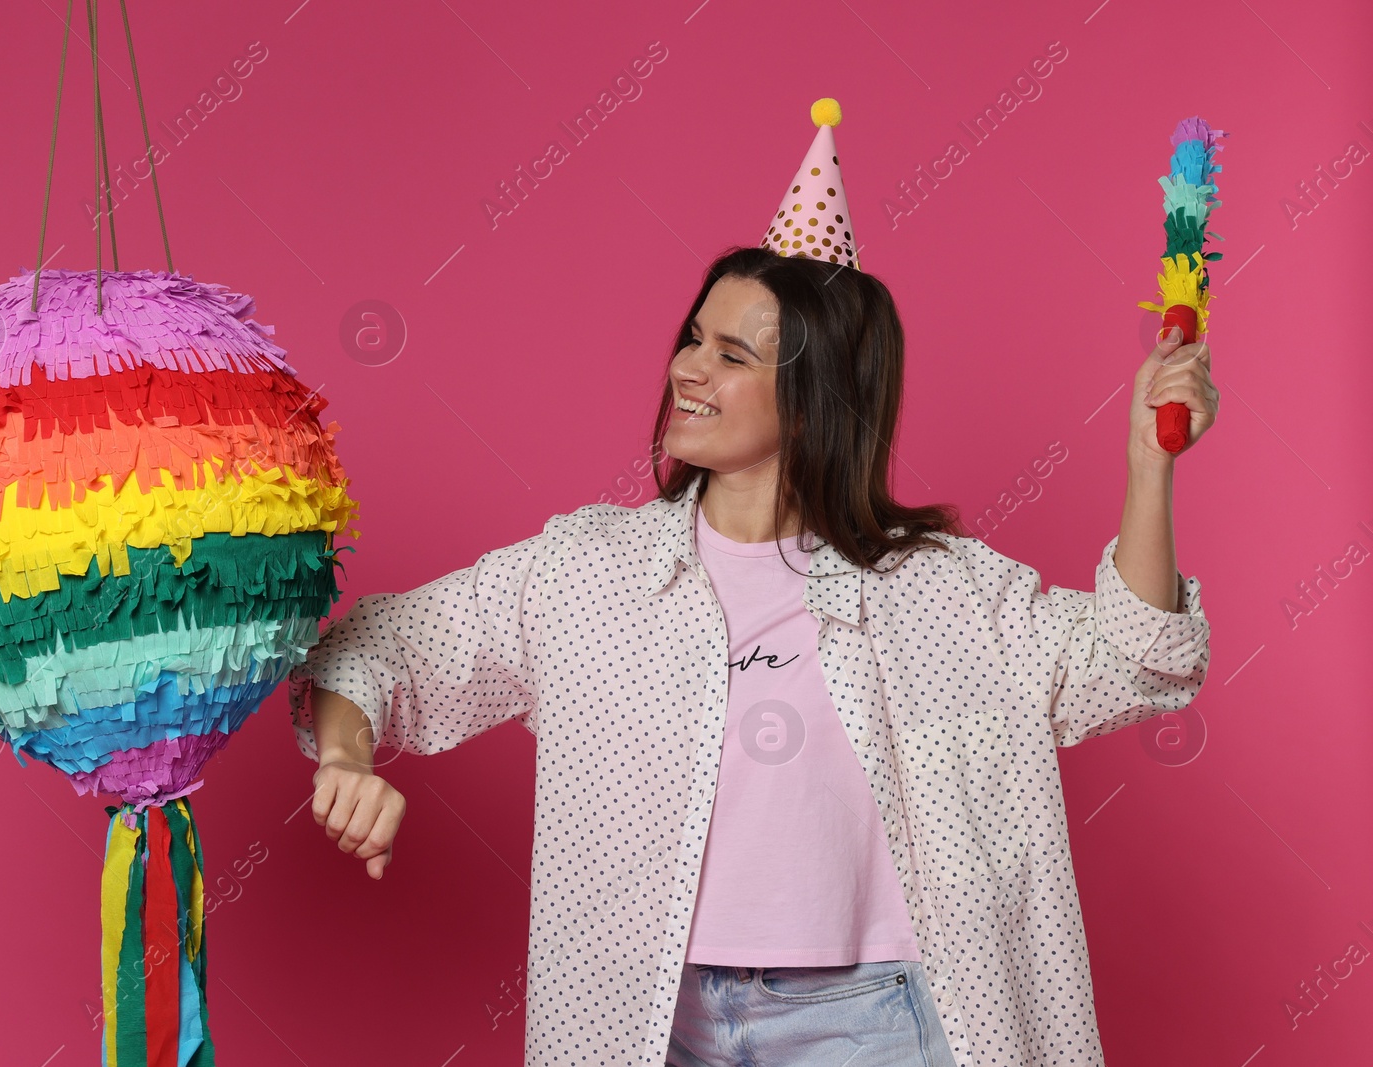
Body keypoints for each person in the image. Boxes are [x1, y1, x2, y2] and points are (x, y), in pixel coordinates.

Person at [287, 106, 1216, 1067]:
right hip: (648, 1020)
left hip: (874, 1025)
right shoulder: (585, 572)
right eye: (694, 339)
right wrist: (346, 761)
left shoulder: (935, 590)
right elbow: (376, 647)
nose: (687, 369)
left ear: (818, 399)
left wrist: (1150, 468)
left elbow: (1135, 660)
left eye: (732, 356)